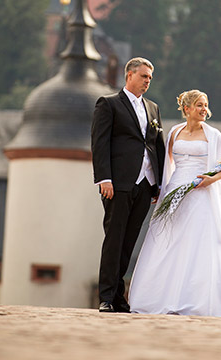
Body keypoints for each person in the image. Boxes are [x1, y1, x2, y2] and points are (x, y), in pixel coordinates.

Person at [129, 90, 221, 318]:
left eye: (205, 105)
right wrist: (161, 190)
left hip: (200, 194)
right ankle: (157, 297)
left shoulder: (213, 135)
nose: (204, 109)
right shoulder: (175, 132)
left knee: (198, 243)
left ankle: (195, 299)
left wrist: (210, 179)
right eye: (199, 105)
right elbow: (166, 164)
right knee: (168, 242)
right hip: (176, 190)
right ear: (186, 109)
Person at [91, 57, 165, 313]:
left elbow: (157, 147)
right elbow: (100, 143)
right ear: (129, 75)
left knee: (129, 241)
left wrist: (158, 184)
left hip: (145, 185)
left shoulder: (153, 108)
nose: (147, 81)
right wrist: (104, 178)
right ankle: (107, 297)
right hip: (118, 183)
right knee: (114, 239)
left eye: (150, 78)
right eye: (144, 76)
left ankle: (119, 297)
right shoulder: (109, 104)